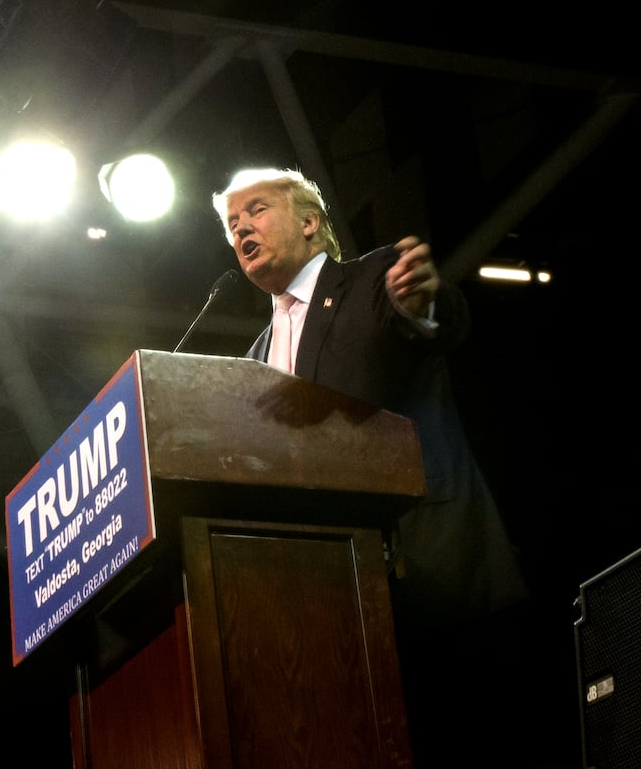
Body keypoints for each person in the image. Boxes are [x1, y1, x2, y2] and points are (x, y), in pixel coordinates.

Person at [211, 167, 534, 765]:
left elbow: (432, 321)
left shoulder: (372, 279)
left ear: (310, 222)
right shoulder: (252, 359)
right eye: (232, 224)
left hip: (423, 569)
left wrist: (422, 305)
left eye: (255, 210)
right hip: (325, 609)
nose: (241, 229)